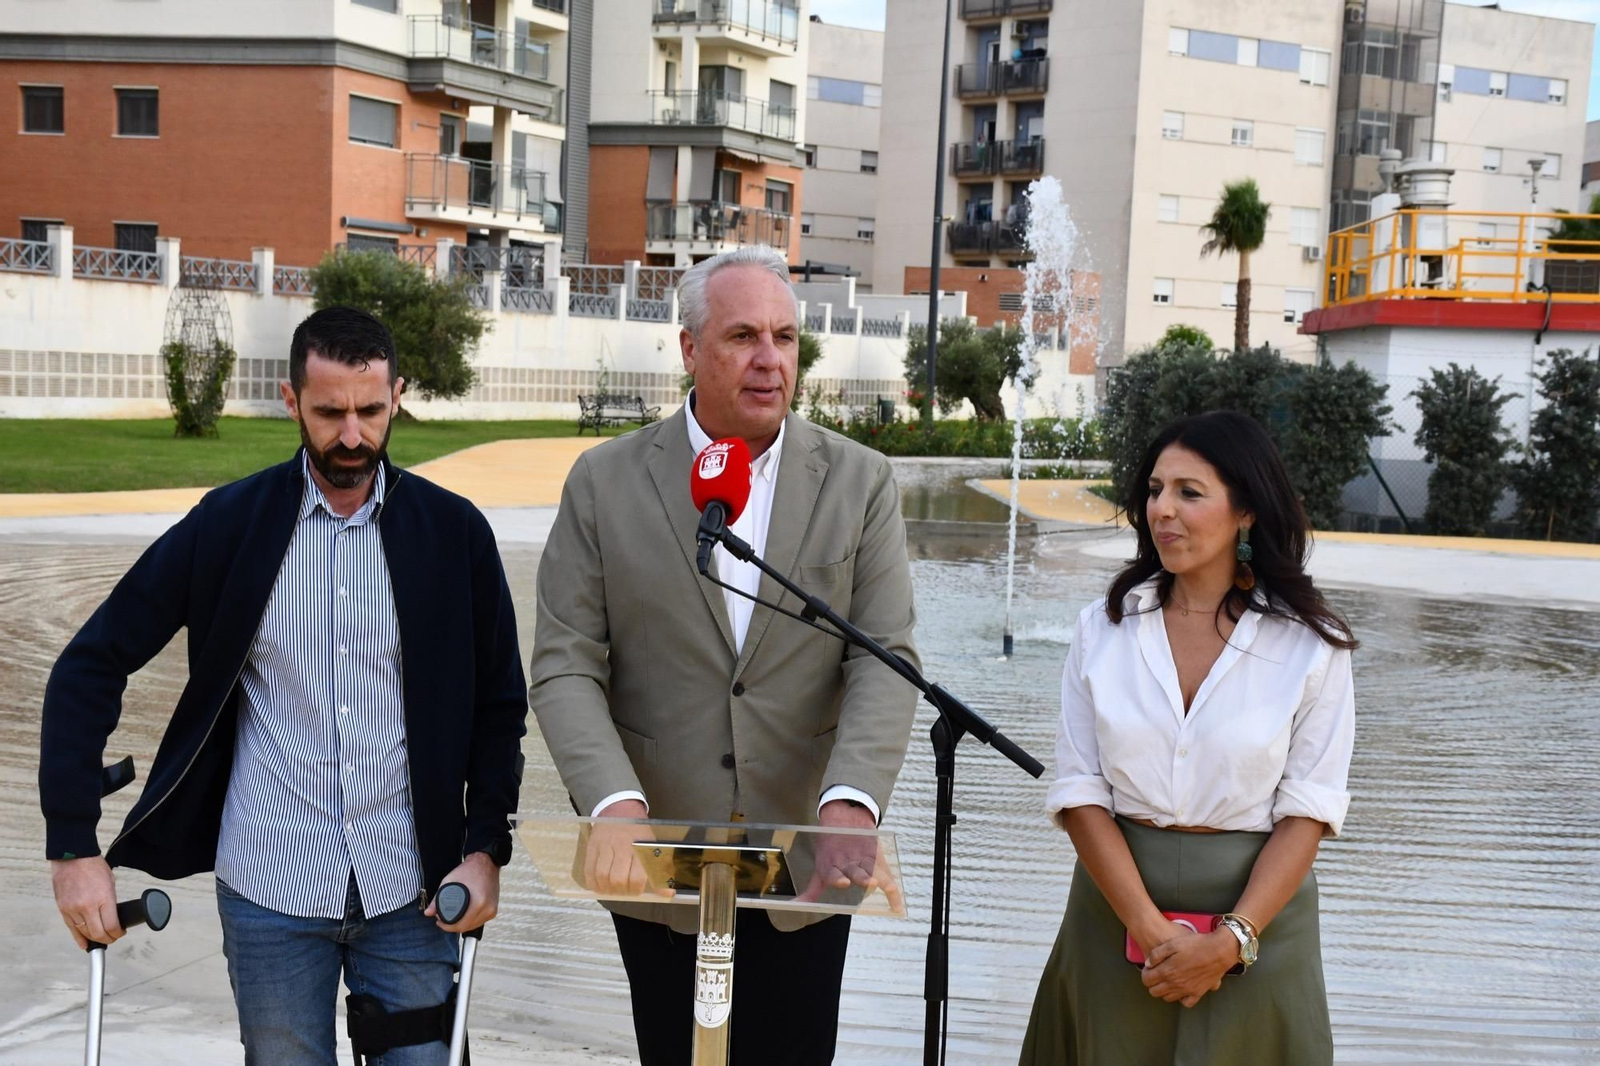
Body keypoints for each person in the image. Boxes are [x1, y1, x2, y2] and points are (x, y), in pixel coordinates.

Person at [40, 306, 529, 1066]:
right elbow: (92, 661)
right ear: (290, 398)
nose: (353, 436)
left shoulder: (455, 533)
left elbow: (501, 707)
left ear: (397, 395)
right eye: (330, 411)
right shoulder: (229, 524)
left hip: (414, 889)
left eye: (371, 410)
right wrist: (73, 843)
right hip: (268, 888)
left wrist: (486, 845)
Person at [528, 245, 920, 1065]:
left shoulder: (860, 482)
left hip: (807, 868)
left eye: (784, 336)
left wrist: (852, 804)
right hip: (660, 869)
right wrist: (612, 804)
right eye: (743, 335)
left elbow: (884, 656)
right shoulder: (602, 484)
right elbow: (566, 662)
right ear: (689, 349)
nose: (770, 360)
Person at [1020, 410, 1356, 1065]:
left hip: (1259, 926)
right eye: (1153, 490)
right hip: (1113, 915)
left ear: (1248, 511)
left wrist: (1231, 941)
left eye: (1189, 493)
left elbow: (1309, 811)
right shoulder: (1103, 628)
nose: (1162, 510)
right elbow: (1081, 791)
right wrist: (1151, 932)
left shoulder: (1311, 645)